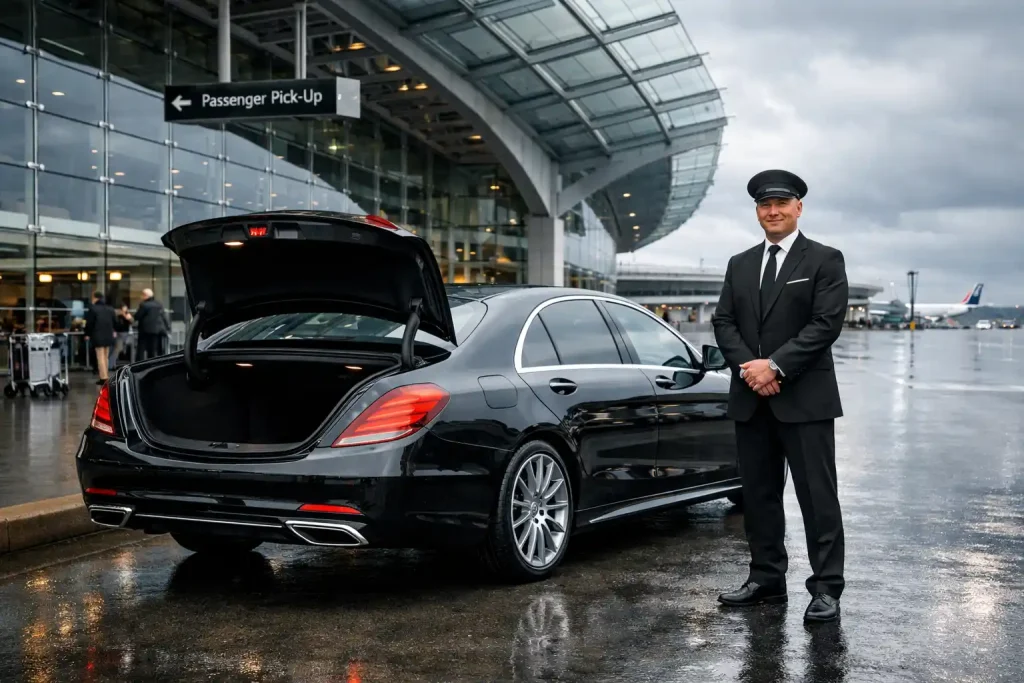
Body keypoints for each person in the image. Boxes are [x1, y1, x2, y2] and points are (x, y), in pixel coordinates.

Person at [711, 169, 849, 623]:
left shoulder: (825, 260)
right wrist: (751, 370)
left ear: (798, 208)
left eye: (781, 204)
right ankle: (766, 579)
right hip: (753, 398)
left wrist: (775, 366)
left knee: (817, 497)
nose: (772, 212)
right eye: (764, 205)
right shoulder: (740, 263)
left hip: (804, 399)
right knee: (760, 495)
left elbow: (825, 325)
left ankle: (826, 588)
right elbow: (724, 322)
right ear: (757, 211)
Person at [84, 292, 117, 386]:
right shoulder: (110, 309)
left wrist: (87, 334)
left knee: (100, 357)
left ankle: (103, 378)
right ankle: (106, 375)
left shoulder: (93, 309)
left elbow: (89, 323)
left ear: (95, 298)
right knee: (105, 357)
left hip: (98, 335)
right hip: (108, 335)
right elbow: (115, 322)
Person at [134, 288, 168, 360]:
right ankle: (152, 364)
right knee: (153, 349)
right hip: (157, 331)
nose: (141, 297)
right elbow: (164, 316)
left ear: (145, 295)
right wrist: (167, 327)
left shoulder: (144, 305)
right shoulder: (159, 304)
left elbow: (137, 316)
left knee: (141, 349)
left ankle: (139, 365)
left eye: (142, 295)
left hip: (145, 331)